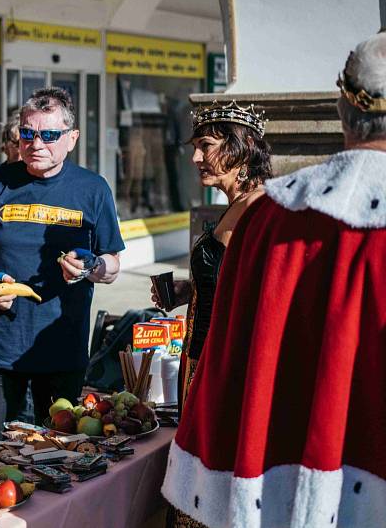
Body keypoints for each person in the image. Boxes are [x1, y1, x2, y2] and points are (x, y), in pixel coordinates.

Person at [162, 33, 386, 528]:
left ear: (342, 108)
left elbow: (245, 342)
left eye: (206, 146)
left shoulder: (274, 215)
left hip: (284, 453)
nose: (197, 158)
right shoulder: (272, 215)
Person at [0, 87, 124, 447]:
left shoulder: (92, 189)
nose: (36, 144)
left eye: (49, 135)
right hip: (1, 350)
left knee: (57, 457)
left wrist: (91, 266)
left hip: (63, 350)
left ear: (71, 138)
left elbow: (112, 265)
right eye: (27, 133)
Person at [151, 99, 272, 406]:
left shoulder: (256, 207)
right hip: (203, 357)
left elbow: (259, 295)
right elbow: (230, 280)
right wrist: (192, 291)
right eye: (195, 146)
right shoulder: (237, 204)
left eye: (205, 145)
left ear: (240, 148)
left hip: (225, 367)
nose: (195, 157)